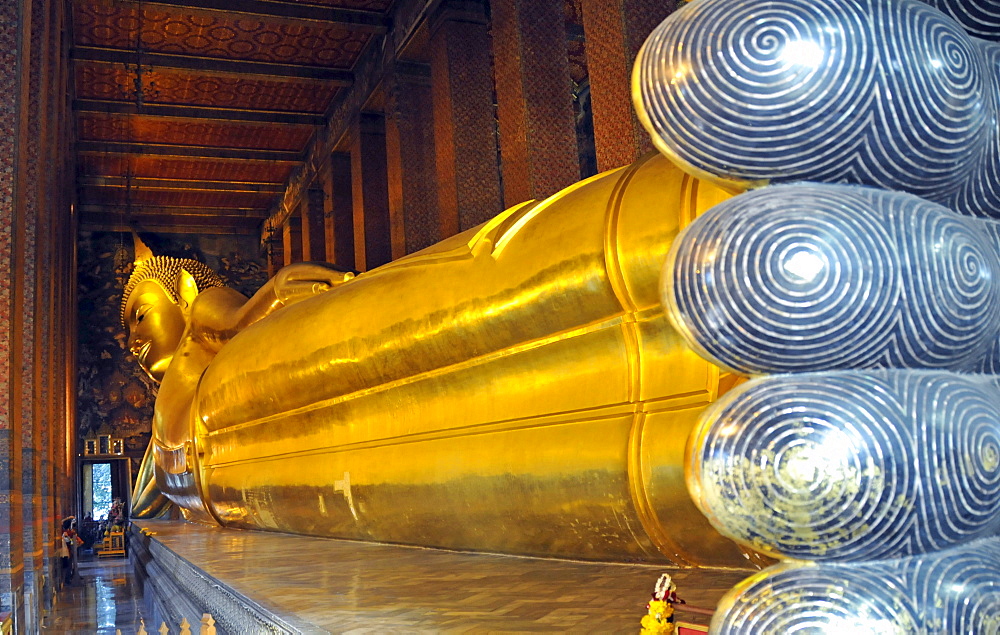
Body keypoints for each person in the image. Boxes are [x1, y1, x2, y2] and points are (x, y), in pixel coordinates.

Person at [60, 517, 83, 585]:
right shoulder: (66, 533)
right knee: (68, 566)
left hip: (69, 551)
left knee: (69, 565)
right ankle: (67, 580)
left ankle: (69, 578)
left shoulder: (68, 532)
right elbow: (70, 540)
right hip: (66, 551)